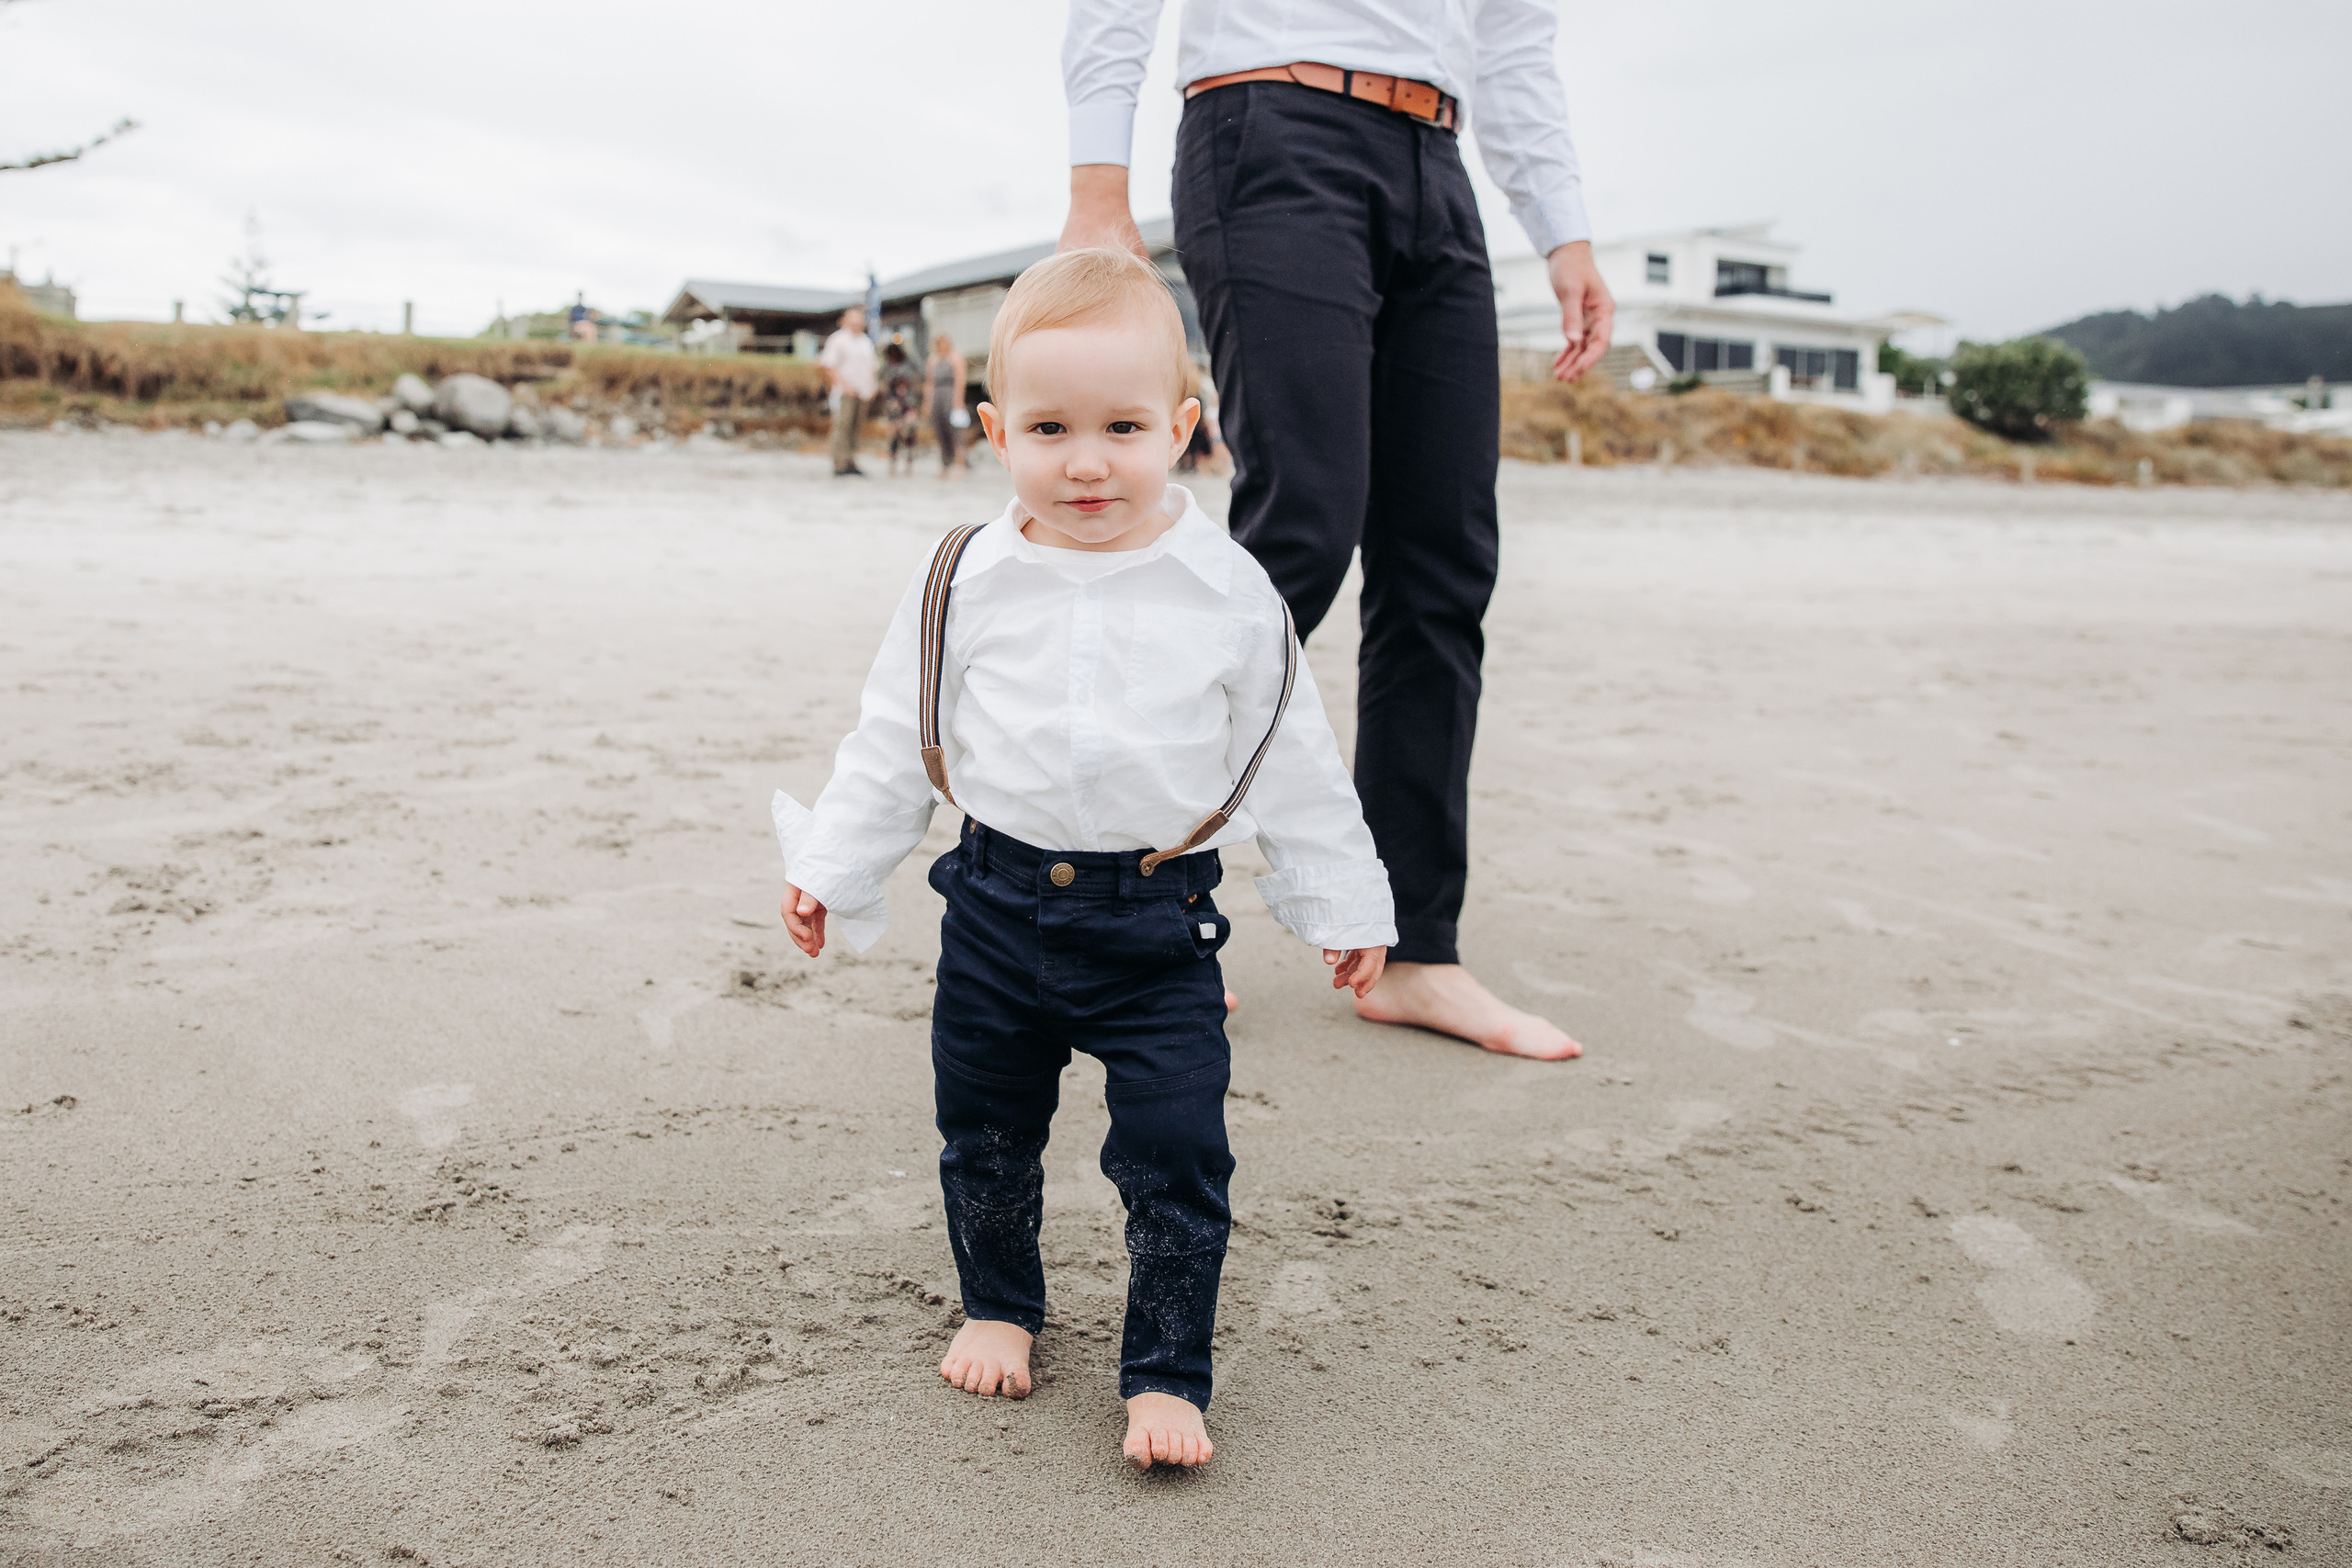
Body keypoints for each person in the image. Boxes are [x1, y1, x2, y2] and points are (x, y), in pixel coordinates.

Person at [772, 248, 1394, 1470]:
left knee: (1176, 1147)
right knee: (987, 1132)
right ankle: (1000, 1301)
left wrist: (1342, 899)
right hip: (992, 906)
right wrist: (837, 865)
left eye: (1122, 426)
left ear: (1182, 425)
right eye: (1051, 427)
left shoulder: (1227, 587)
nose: (1089, 460)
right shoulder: (963, 574)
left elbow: (1295, 757)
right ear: (997, 429)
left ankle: (1166, 1370)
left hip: (1158, 922)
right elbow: (896, 735)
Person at [1060, 0, 1616, 1060]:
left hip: (1436, 164)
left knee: (1442, 562)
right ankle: (1134, 902)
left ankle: (1413, 950)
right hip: (1268, 126)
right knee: (1298, 531)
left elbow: (1511, 37)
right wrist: (1097, 179)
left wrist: (1564, 226)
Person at [818, 306, 877, 476]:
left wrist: (872, 386)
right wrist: (844, 386)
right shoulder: (838, 339)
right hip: (845, 391)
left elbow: (872, 366)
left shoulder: (866, 341)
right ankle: (839, 462)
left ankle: (851, 461)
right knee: (842, 426)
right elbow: (829, 366)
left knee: (855, 427)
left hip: (863, 391)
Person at [923, 331, 968, 478]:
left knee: (955, 431)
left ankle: (959, 463)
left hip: (951, 394)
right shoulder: (933, 359)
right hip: (937, 395)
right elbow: (929, 383)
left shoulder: (955, 357)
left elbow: (960, 380)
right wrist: (927, 403)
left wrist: (958, 401)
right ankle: (945, 463)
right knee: (940, 429)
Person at [880, 339, 923, 476]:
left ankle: (909, 462)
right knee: (895, 432)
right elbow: (880, 377)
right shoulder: (888, 364)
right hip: (894, 403)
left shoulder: (910, 360)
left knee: (910, 430)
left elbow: (923, 372)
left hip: (909, 402)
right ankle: (893, 461)